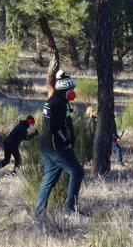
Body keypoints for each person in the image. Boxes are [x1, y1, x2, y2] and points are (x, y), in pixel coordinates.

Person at [34, 71, 85, 220]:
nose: (73, 92)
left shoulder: (54, 101)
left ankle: (39, 213)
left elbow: (58, 123)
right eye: (71, 90)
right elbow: (55, 127)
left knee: (48, 179)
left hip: (47, 146)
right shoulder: (58, 104)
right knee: (77, 172)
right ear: (65, 89)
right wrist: (67, 143)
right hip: (57, 147)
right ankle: (70, 209)